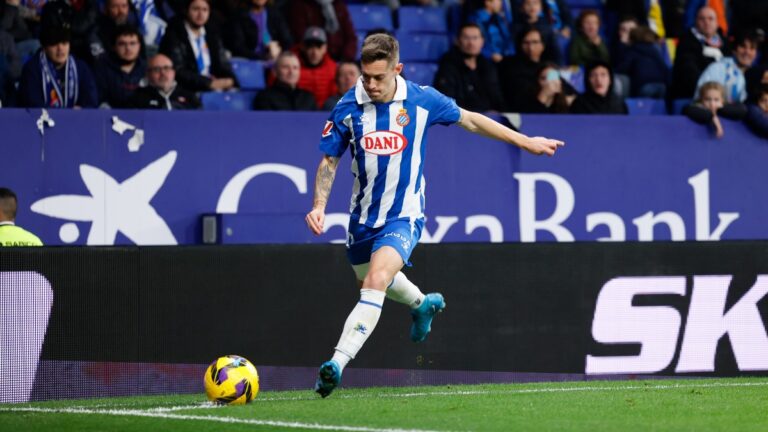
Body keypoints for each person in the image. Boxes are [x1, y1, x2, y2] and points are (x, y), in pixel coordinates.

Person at [305, 33, 564, 398]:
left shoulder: (422, 100)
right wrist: (319, 205)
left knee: (376, 279)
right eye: (366, 76)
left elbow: (472, 120)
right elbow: (329, 160)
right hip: (362, 217)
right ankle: (421, 304)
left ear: (398, 69)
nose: (371, 84)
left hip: (404, 216)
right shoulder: (348, 107)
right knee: (368, 277)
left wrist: (526, 141)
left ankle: (336, 365)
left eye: (379, 77)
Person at [159, 0, 237, 92]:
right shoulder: (174, 34)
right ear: (186, 11)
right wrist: (208, 83)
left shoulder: (212, 34)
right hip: (186, 90)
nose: (201, 14)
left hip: (212, 87)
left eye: (205, 10)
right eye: (196, 9)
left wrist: (230, 79)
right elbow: (177, 70)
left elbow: (223, 64)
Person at [17, 25, 99, 108]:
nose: (60, 48)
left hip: (76, 120)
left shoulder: (80, 68)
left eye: (64, 43)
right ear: (45, 48)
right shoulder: (32, 69)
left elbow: (91, 102)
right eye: (54, 44)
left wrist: (82, 110)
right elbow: (32, 104)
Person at [433, 23, 506, 113]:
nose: (471, 43)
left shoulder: (488, 66)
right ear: (457, 41)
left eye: (475, 38)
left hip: (489, 119)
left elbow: (497, 97)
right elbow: (447, 100)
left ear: (482, 41)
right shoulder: (448, 65)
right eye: (466, 38)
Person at [671, 6, 728, 99]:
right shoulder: (686, 42)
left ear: (717, 22)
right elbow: (689, 71)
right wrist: (708, 90)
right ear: (696, 22)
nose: (706, 22)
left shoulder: (725, 43)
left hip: (722, 94)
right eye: (702, 19)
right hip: (693, 94)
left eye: (710, 19)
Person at [694, 29, 762, 104]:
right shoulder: (717, 68)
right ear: (734, 50)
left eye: (752, 48)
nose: (747, 52)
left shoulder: (758, 74)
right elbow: (699, 99)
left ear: (756, 53)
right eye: (743, 46)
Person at [93, 25, 146, 108]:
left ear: (139, 45)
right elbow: (98, 99)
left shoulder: (148, 69)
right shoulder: (102, 69)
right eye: (122, 44)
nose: (128, 48)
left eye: (132, 43)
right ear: (114, 47)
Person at [288, 0, 357, 62]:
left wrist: (346, 60)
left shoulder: (339, 5)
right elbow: (301, 37)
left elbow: (351, 37)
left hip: (340, 58)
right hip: (314, 58)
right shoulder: (300, 5)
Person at [223, 0, 292, 61]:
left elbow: (287, 40)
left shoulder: (274, 13)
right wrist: (263, 57)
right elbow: (238, 47)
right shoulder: (238, 17)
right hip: (250, 61)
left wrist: (278, 49)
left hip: (275, 59)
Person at [499, 27, 547, 111]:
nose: (530, 48)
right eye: (526, 43)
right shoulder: (510, 65)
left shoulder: (548, 67)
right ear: (519, 45)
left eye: (535, 42)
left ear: (543, 45)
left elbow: (563, 87)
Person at [614, 26, 669, 99]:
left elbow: (623, 67)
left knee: (643, 110)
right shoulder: (655, 50)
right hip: (661, 85)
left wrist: (622, 45)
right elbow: (664, 68)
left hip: (644, 86)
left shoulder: (633, 50)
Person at [130, 53, 200, 109]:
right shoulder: (138, 97)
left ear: (174, 72)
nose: (162, 73)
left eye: (166, 68)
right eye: (157, 69)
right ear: (148, 74)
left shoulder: (189, 95)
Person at [683, 81, 747, 138]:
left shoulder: (726, 108)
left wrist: (720, 111)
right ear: (701, 100)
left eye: (716, 100)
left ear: (722, 101)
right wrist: (713, 117)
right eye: (707, 99)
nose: (712, 103)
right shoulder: (696, 108)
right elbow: (687, 109)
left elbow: (742, 110)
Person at [295, 26, 337, 110]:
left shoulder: (333, 69)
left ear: (325, 48)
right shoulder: (292, 66)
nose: (314, 52)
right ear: (303, 47)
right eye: (310, 46)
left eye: (319, 46)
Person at [512, 0, 562, 65]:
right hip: (522, 64)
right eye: (528, 4)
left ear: (541, 7)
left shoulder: (547, 27)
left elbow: (555, 52)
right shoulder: (516, 27)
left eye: (535, 3)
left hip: (544, 63)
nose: (532, 7)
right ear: (521, 7)